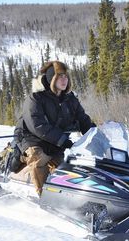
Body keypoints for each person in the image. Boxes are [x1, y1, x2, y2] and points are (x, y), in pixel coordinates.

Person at [14, 60, 95, 196]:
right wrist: (62, 140)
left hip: (55, 142)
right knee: (40, 161)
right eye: (60, 76)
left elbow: (83, 119)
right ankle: (42, 197)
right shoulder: (36, 98)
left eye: (65, 76)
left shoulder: (70, 100)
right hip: (31, 139)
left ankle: (70, 199)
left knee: (63, 171)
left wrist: (96, 135)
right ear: (52, 79)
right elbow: (37, 125)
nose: (64, 79)